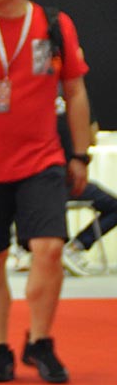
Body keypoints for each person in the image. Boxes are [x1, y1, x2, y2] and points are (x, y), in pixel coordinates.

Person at [0, 0, 91, 384]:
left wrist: (80, 154)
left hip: (42, 161)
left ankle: (40, 341)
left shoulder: (53, 25)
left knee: (50, 249)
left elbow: (75, 91)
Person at [56, 98, 117, 276]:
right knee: (114, 206)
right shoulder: (78, 104)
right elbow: (92, 137)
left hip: (43, 178)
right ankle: (76, 246)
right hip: (64, 178)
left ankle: (27, 250)